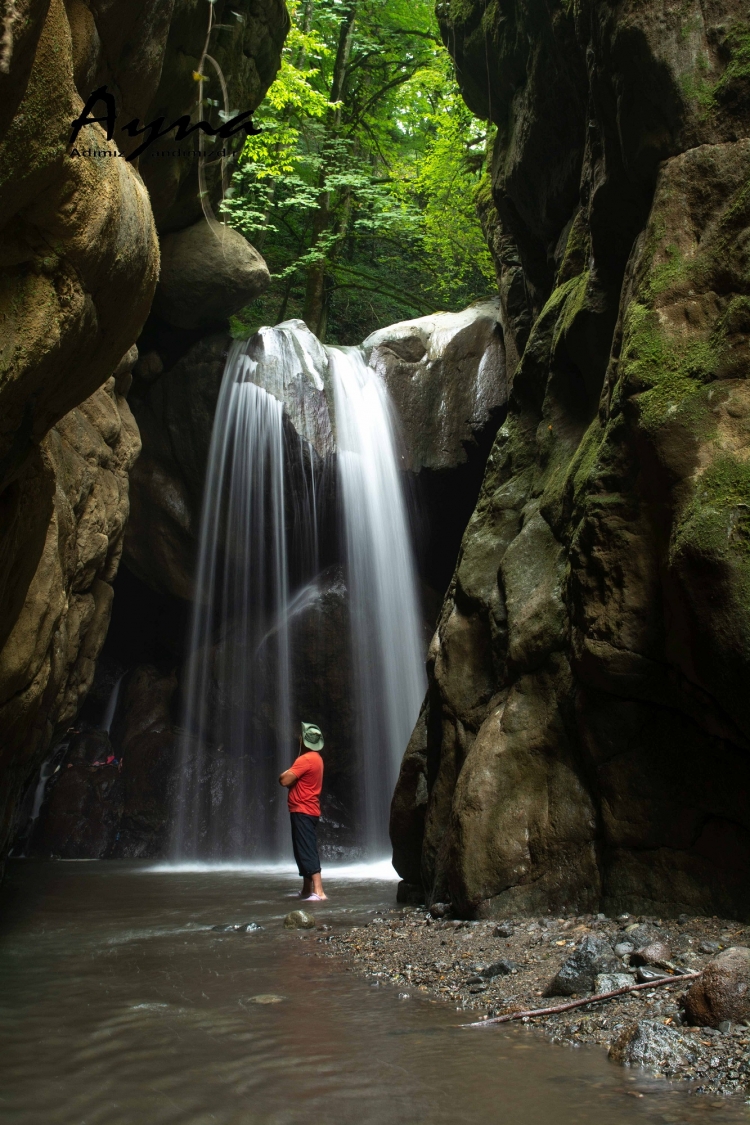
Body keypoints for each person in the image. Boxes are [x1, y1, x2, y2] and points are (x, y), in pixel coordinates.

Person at [279, 722, 327, 901]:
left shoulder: (305, 759)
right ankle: (307, 889)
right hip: (309, 809)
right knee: (301, 848)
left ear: (304, 741)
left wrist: (284, 774)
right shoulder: (318, 759)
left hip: (303, 809)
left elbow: (284, 780)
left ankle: (319, 891)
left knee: (306, 848)